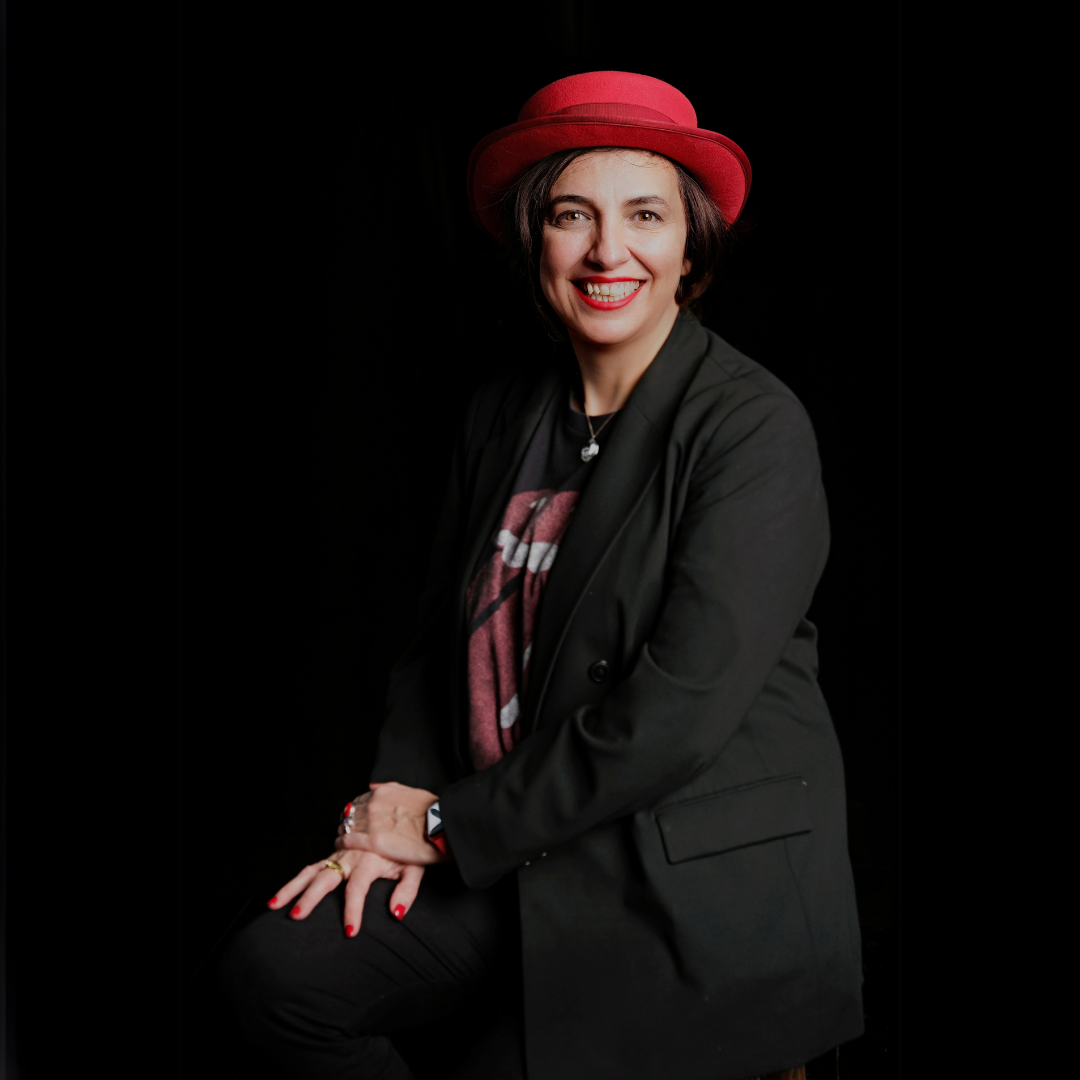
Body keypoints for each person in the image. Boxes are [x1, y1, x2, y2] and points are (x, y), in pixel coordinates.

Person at [221, 70, 864, 1080]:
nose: (611, 251)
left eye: (644, 215)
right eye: (576, 215)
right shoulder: (504, 411)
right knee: (280, 976)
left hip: (669, 888)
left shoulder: (750, 428)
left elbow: (673, 719)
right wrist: (384, 819)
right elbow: (441, 638)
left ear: (689, 242)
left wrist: (439, 827)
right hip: (514, 861)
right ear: (537, 239)